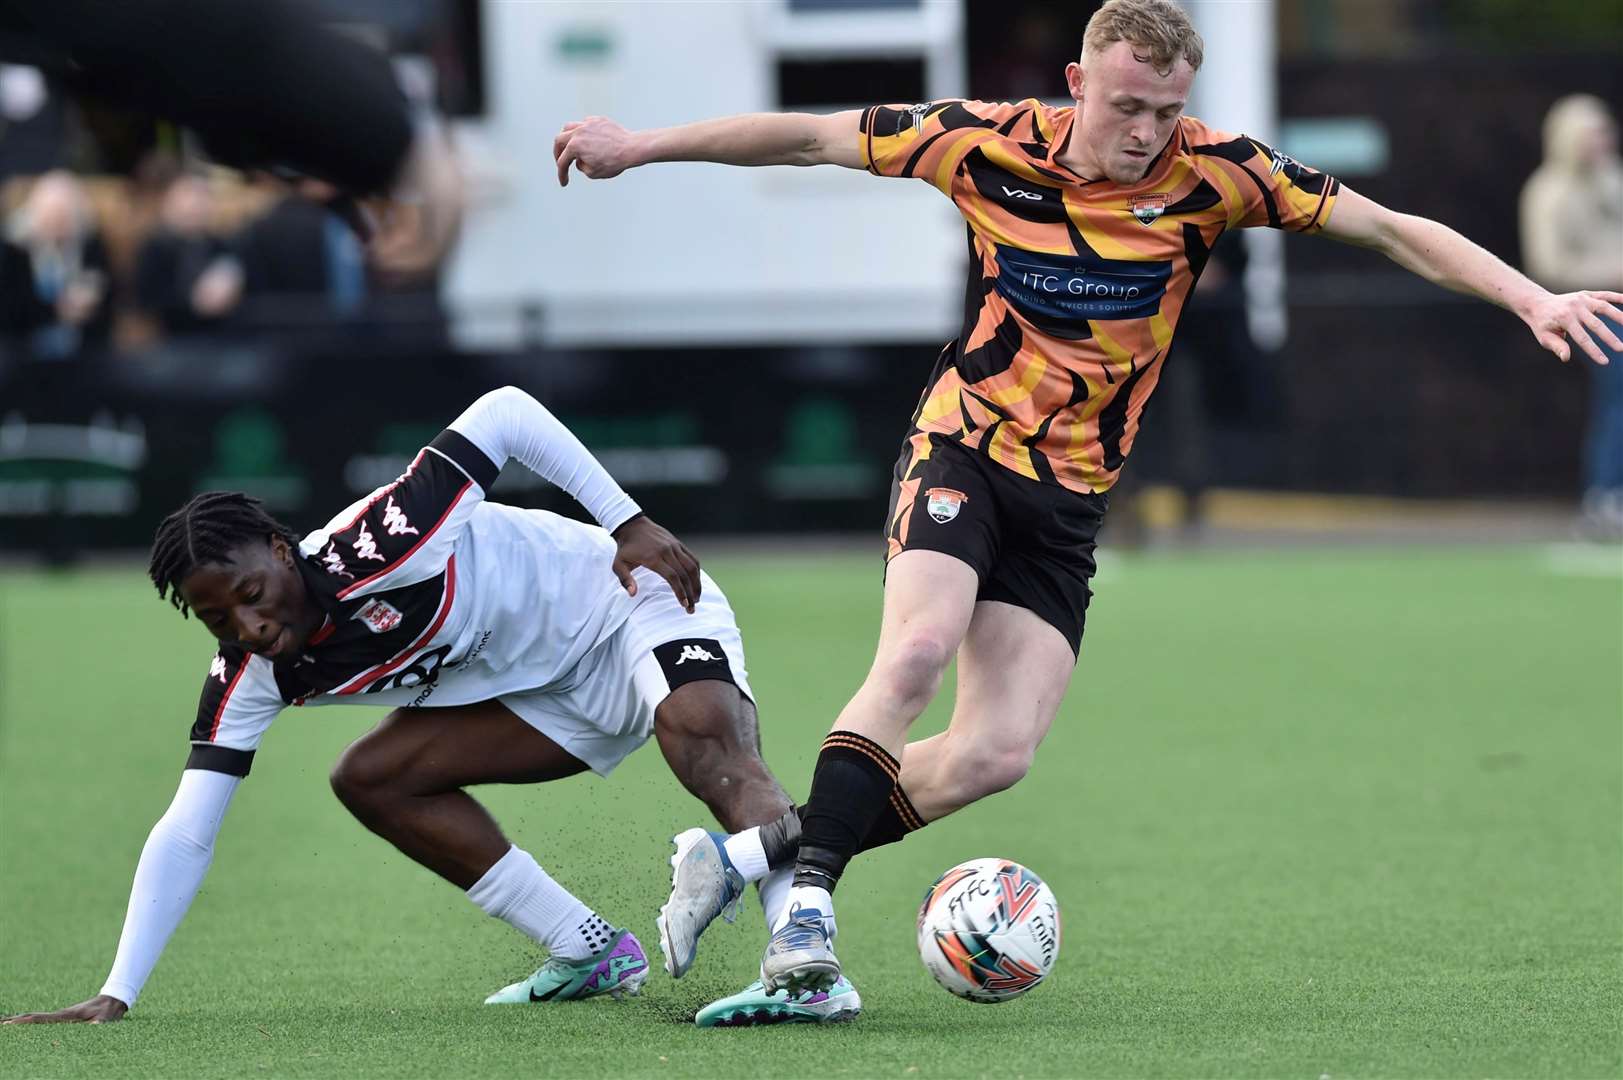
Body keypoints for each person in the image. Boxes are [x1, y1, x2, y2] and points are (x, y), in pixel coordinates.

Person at [553, 0, 1623, 1024]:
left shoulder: (1218, 173)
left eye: (1167, 111)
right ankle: (808, 924)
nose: (1148, 134)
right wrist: (639, 145)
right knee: (918, 647)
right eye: (1127, 108)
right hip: (962, 449)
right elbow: (803, 139)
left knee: (994, 753)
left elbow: (1387, 227)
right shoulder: (982, 142)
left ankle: (744, 855)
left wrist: (1531, 295)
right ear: (1078, 84)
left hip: (1068, 500)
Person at [0, 386, 816, 1025]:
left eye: (251, 594)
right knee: (370, 777)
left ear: (283, 553)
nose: (249, 625)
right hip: (549, 689)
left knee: (705, 748)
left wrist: (627, 521)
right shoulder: (252, 671)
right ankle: (587, 950)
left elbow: (505, 412)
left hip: (629, 597)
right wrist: (118, 990)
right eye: (220, 618)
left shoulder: (381, 541)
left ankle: (802, 958)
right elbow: (188, 827)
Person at [1520, 94, 1623, 539]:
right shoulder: (1547, 192)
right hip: (1591, 311)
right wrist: (1611, 271)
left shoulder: (1611, 180)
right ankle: (1604, 495)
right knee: (1618, 400)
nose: (1604, 139)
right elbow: (1547, 266)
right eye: (1593, 132)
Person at [0, 169, 112, 358]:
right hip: (25, 345)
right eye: (51, 217)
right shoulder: (15, 249)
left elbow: (106, 292)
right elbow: (10, 308)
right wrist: (57, 311)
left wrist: (88, 303)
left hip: (81, 344)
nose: (57, 225)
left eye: (64, 217)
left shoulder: (90, 245)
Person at [133, 172, 243, 336]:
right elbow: (145, 299)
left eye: (203, 198)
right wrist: (193, 301)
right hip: (173, 336)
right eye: (188, 198)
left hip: (221, 335)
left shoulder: (220, 244)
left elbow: (237, 273)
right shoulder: (156, 246)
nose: (196, 205)